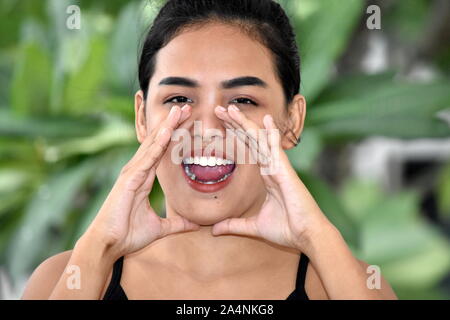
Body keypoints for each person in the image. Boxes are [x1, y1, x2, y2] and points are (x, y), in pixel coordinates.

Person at [22, 0, 397, 300]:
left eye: (243, 100)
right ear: (142, 117)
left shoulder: (345, 287)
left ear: (292, 121)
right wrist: (98, 248)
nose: (207, 128)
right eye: (180, 97)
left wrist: (318, 237)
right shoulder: (64, 280)